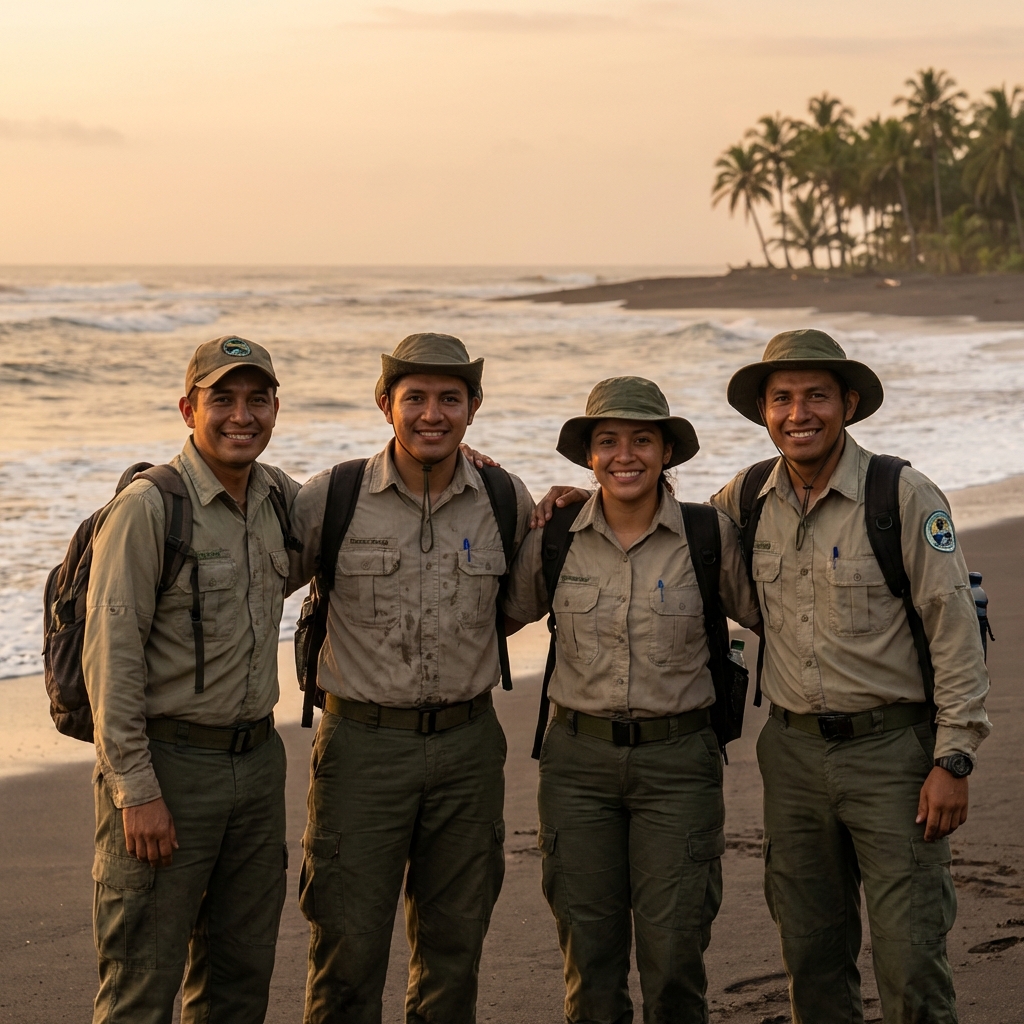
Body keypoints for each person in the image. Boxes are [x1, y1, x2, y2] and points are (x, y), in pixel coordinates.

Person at [710, 329, 991, 1024]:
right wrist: (575, 494)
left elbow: (954, 629)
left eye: (816, 396)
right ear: (764, 411)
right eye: (782, 398)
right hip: (793, 755)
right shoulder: (744, 499)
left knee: (911, 958)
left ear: (849, 403)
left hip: (894, 758)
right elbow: (656, 525)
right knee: (811, 957)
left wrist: (953, 758)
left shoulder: (903, 493)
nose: (798, 413)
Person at [286, 333, 534, 1024]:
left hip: (468, 748)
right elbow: (252, 576)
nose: (433, 414)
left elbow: (519, 602)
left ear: (474, 408)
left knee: (455, 952)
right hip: (360, 750)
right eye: (415, 397)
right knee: (346, 950)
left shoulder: (504, 496)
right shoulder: (330, 496)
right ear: (384, 404)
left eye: (449, 399)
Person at [503, 376, 761, 1024]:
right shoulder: (556, 535)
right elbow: (490, 616)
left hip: (679, 767)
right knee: (590, 969)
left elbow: (782, 619)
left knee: (675, 964)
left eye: (642, 440)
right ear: (588, 456)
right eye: (608, 441)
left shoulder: (708, 536)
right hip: (576, 768)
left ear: (666, 452)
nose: (626, 455)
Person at [83, 336, 300, 1024]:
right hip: (167, 768)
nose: (242, 415)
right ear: (188, 408)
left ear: (274, 409)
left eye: (256, 399)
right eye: (223, 399)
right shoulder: (149, 509)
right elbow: (110, 661)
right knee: (140, 985)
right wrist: (135, 791)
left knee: (240, 979)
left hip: (258, 766)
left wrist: (454, 463)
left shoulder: (281, 498)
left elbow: (369, 508)